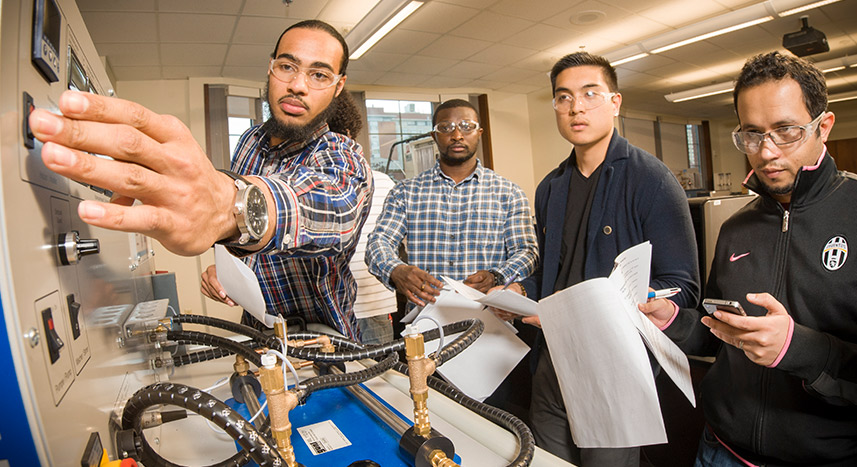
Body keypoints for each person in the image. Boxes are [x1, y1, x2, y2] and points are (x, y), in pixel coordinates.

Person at [29, 20, 372, 341]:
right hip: (259, 338)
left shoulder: (343, 156)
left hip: (327, 347)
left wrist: (229, 207)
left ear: (338, 86)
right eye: (287, 67)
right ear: (271, 67)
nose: (298, 85)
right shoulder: (251, 141)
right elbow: (246, 239)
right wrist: (229, 270)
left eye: (319, 75)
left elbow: (334, 210)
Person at [641, 51, 857, 466]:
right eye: (752, 134)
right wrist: (672, 319)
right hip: (720, 448)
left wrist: (798, 347)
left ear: (823, 127)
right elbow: (720, 333)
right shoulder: (736, 228)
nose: (767, 151)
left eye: (785, 131)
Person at [492, 52, 700, 466]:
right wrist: (520, 290)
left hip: (614, 369)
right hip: (552, 362)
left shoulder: (652, 180)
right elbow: (555, 272)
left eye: (590, 94)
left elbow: (683, 284)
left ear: (615, 102)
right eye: (563, 97)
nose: (576, 107)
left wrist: (648, 300)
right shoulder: (550, 187)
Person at [365, 99, 538, 308]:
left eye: (467, 126)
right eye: (446, 128)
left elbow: (527, 251)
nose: (457, 135)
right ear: (434, 136)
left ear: (480, 133)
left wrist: (497, 276)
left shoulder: (509, 193)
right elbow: (378, 242)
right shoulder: (405, 192)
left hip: (490, 317)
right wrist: (395, 269)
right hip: (427, 319)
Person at [328, 90, 397, 345]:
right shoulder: (301, 190)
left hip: (372, 309)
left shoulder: (383, 183)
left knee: (380, 382)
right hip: (324, 312)